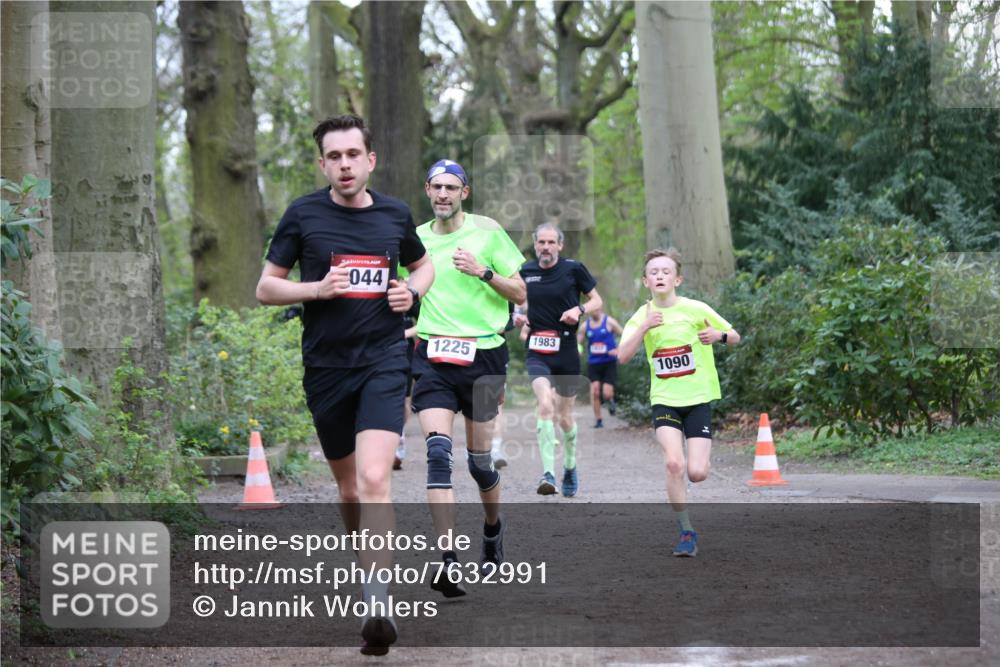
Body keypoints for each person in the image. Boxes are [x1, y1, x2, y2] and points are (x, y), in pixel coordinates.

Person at [256, 114, 434, 655]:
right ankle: (368, 570)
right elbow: (266, 288)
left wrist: (411, 293)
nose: (344, 165)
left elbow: (422, 266)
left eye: (353, 154)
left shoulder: (395, 214)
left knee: (377, 475)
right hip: (327, 370)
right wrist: (317, 289)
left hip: (384, 359)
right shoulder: (302, 215)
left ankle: (378, 601)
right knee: (351, 489)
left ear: (370, 159)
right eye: (334, 157)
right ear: (323, 164)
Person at [411, 159, 526, 595]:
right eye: (436, 187)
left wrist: (483, 271)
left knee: (479, 464)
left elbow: (521, 292)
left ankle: (493, 531)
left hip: (484, 358)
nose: (443, 194)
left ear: (465, 192)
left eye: (451, 187)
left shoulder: (488, 232)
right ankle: (447, 560)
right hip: (434, 358)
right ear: (427, 190)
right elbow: (405, 291)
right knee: (438, 455)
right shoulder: (416, 240)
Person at [618, 248, 740, 558]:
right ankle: (686, 530)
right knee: (674, 463)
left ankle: (701, 463)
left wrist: (719, 336)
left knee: (696, 473)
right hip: (665, 401)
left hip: (697, 399)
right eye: (653, 272)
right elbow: (622, 356)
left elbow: (734, 335)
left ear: (677, 279)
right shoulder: (640, 316)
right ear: (646, 281)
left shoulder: (695, 308)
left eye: (665, 271)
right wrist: (645, 327)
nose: (659, 275)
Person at [515, 223, 603, 497]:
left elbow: (597, 301)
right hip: (537, 350)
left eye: (551, 242)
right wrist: (518, 314)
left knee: (565, 417)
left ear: (560, 245)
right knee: (544, 405)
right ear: (535, 244)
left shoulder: (574, 268)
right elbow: (515, 298)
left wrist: (579, 310)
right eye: (541, 242)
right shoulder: (525, 271)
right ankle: (548, 474)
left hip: (566, 352)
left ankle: (570, 466)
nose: (546, 247)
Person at [578, 305, 623, 428]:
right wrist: (579, 350)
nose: (594, 312)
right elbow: (578, 342)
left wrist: (618, 349)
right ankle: (599, 420)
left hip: (609, 362)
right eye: (591, 310)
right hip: (594, 363)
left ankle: (611, 401)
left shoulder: (609, 322)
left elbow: (625, 335)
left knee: (607, 393)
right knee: (595, 392)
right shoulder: (585, 326)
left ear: (600, 309)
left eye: (596, 309)